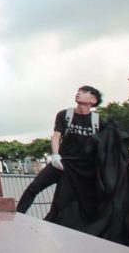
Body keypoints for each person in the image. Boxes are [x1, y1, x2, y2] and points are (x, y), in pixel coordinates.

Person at [16, 85, 102, 213]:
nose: (78, 93)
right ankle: (18, 215)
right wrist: (55, 155)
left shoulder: (97, 120)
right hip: (61, 163)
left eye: (84, 92)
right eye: (78, 91)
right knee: (34, 187)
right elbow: (56, 136)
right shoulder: (65, 114)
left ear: (93, 100)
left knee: (79, 200)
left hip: (81, 168)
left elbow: (105, 144)